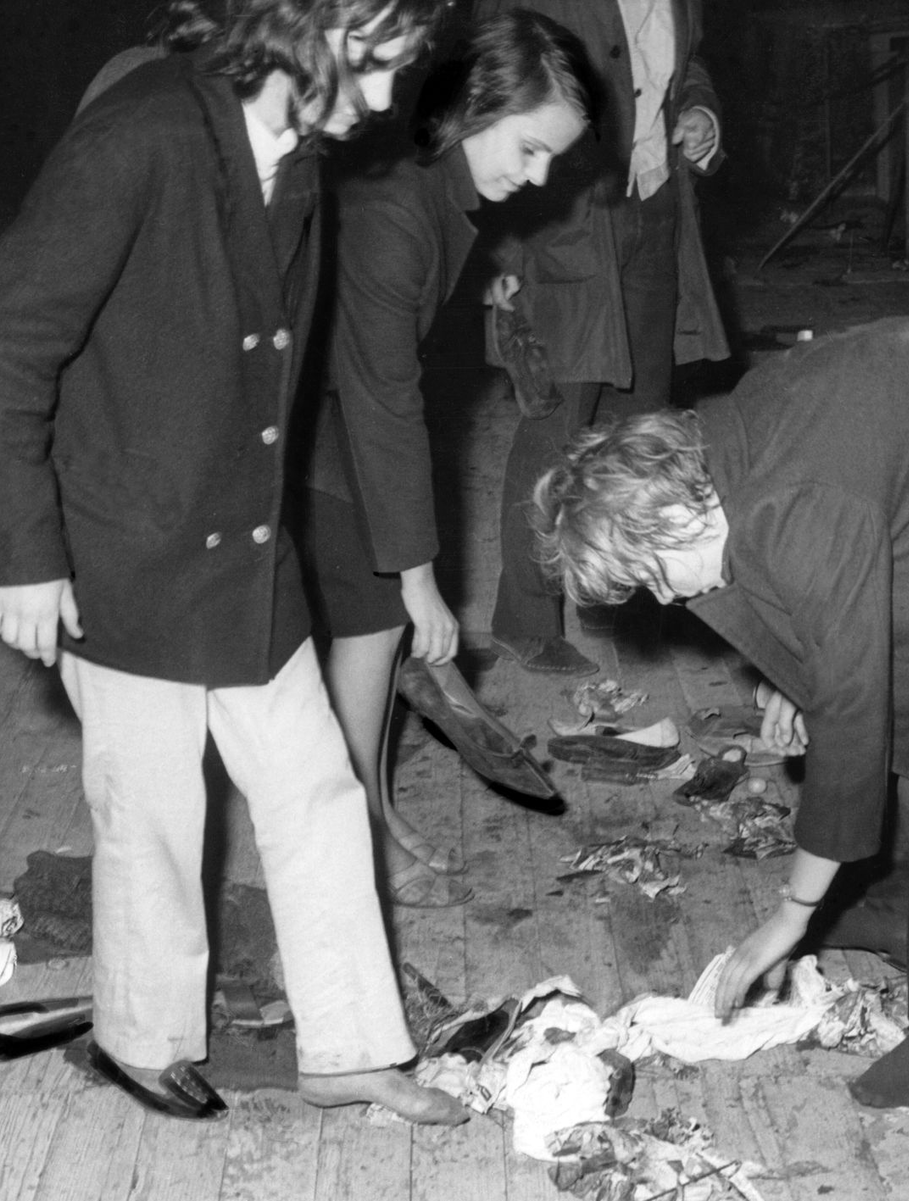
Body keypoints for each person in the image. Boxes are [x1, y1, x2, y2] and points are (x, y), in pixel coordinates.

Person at [0, 0, 467, 1125]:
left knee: (316, 785)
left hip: (237, 546)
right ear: (299, 23)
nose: (380, 103)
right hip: (119, 544)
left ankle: (351, 1045)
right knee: (156, 809)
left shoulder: (292, 153)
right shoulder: (145, 137)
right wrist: (24, 555)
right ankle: (140, 1038)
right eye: (373, 67)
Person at [531, 316, 909, 1109]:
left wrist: (792, 912)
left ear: (670, 515)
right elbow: (837, 568)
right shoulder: (738, 435)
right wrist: (801, 678)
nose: (662, 598)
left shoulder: (793, 499)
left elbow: (854, 710)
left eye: (650, 575)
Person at [302, 10, 591, 907]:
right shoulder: (398, 204)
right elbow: (385, 399)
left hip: (345, 406)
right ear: (477, 105)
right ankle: (349, 839)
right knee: (373, 621)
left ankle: (371, 813)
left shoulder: (430, 178)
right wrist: (419, 574)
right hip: (316, 422)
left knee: (376, 628)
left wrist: (470, 301)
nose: (537, 176)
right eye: (532, 148)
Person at [470, 0, 730, 676]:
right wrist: (502, 264)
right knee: (557, 421)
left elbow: (687, 63)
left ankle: (607, 591)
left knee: (639, 415)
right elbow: (489, 95)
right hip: (564, 222)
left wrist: (702, 115)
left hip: (655, 205)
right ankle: (524, 618)